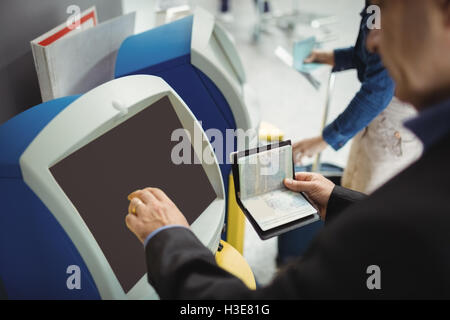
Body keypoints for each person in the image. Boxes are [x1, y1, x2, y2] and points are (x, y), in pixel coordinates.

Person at [125, 0, 450, 299]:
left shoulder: (401, 217)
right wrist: (340, 202)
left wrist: (169, 239)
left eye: (389, 13)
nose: (372, 41)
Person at [294, 1, 422, 194]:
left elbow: (378, 91)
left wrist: (324, 140)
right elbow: (370, 52)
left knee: (368, 191)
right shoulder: (376, 6)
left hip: (393, 117)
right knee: (353, 179)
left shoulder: (393, 9)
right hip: (378, 110)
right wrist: (333, 57)